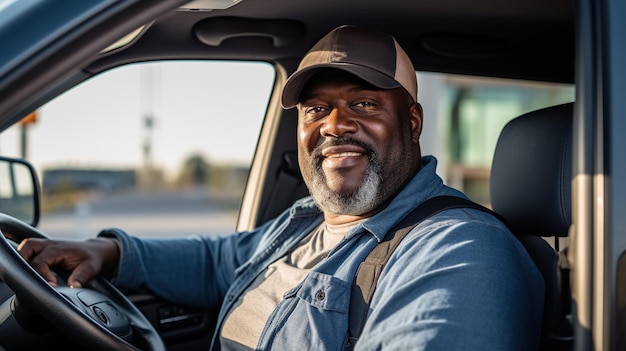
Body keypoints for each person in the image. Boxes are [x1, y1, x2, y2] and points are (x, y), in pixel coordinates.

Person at [18, 25, 543, 350]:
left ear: (412, 120)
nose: (334, 125)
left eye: (363, 104)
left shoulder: (460, 250)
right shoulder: (306, 222)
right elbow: (217, 261)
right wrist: (105, 251)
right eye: (317, 109)